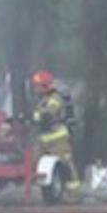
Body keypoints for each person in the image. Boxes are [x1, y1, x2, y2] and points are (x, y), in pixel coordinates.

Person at [28, 70, 79, 198]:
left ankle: (73, 195)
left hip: (57, 139)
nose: (35, 89)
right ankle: (54, 191)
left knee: (66, 165)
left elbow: (48, 115)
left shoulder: (54, 99)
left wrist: (33, 116)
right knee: (35, 164)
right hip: (44, 139)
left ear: (45, 86)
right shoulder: (43, 99)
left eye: (37, 86)